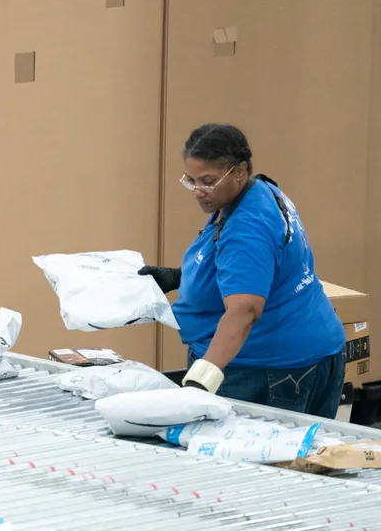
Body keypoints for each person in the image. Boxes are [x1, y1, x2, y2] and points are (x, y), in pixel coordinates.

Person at [140, 124, 345, 417]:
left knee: (260, 461)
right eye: (191, 180)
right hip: (314, 348)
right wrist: (179, 277)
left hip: (271, 371)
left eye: (208, 181)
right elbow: (259, 269)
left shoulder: (246, 229)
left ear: (239, 171)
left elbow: (244, 310)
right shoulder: (260, 191)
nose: (198, 191)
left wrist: (201, 383)